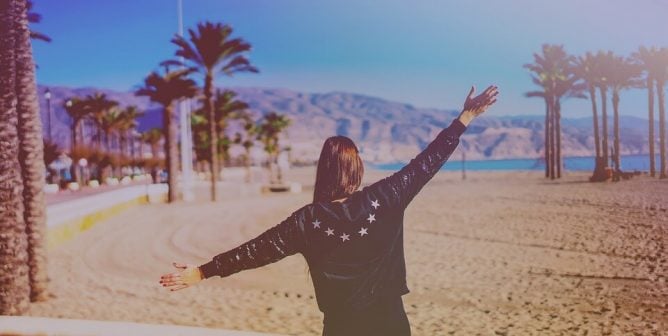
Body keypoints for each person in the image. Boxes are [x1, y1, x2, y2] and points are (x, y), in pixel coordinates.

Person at [160, 85, 499, 335]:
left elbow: (255, 251)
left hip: (341, 327)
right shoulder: (388, 196)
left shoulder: (307, 221)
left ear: (323, 170)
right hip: (390, 323)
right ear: (357, 168)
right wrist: (465, 118)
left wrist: (203, 271)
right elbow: (427, 162)